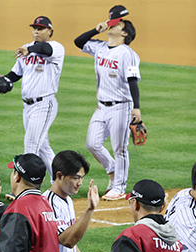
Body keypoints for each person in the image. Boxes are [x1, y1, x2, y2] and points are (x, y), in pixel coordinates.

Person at [74, 5, 141, 201]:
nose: (114, 25)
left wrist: (136, 107)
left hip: (122, 106)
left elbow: (132, 81)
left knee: (120, 148)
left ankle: (119, 186)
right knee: (92, 143)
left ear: (124, 33)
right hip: (102, 106)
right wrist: (97, 29)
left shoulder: (127, 53)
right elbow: (78, 42)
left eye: (119, 24)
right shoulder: (100, 47)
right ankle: (112, 170)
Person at [0, 16, 64, 179]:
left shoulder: (56, 47)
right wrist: (5, 80)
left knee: (31, 146)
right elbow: (16, 73)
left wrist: (29, 50)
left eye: (40, 28)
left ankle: (27, 189)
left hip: (44, 104)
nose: (36, 31)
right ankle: (60, 182)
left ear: (50, 31)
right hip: (27, 107)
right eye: (34, 28)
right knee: (43, 148)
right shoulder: (26, 48)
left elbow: (46, 50)